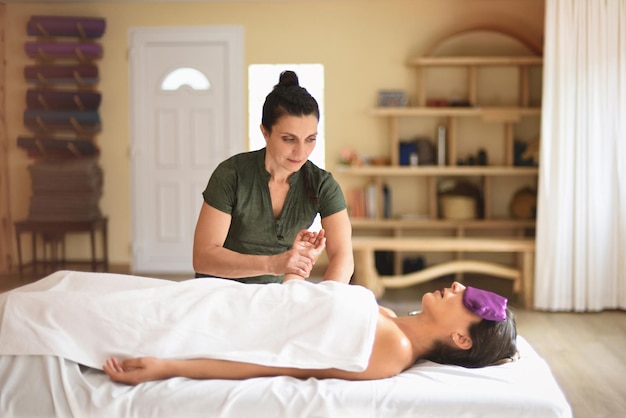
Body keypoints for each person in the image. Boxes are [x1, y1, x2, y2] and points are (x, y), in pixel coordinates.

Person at [102, 280, 518, 385]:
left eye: (472, 303)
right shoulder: (388, 318)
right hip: (226, 300)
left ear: (462, 340)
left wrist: (170, 367)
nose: (461, 288)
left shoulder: (392, 349)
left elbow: (283, 365)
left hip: (211, 325)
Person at [193, 70, 353, 284]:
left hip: (277, 297)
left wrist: (327, 299)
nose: (301, 152)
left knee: (374, 311)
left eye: (310, 139)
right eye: (289, 139)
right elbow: (203, 258)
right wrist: (273, 264)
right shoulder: (232, 174)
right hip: (220, 294)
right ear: (265, 132)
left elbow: (342, 256)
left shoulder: (322, 184)